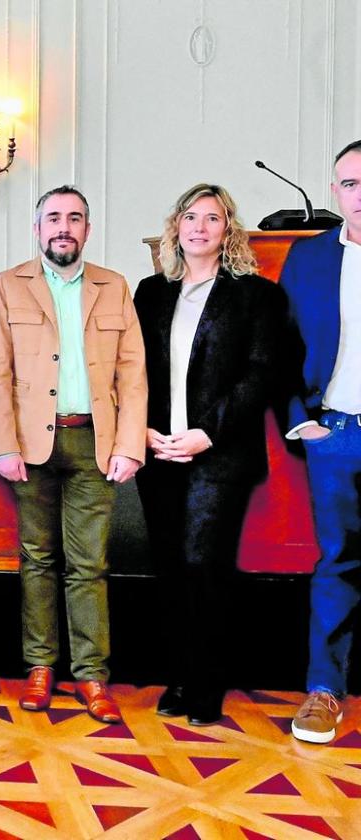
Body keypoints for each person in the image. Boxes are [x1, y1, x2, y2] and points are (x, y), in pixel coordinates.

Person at [0, 185, 146, 724]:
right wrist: (3, 444)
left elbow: (133, 373)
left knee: (89, 564)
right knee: (37, 558)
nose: (63, 227)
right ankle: (39, 667)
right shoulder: (11, 286)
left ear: (87, 229)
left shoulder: (114, 286)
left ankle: (92, 675)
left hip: (95, 443)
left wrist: (129, 446)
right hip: (31, 446)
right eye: (53, 218)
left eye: (74, 218)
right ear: (37, 229)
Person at [134, 184, 288, 726]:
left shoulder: (255, 295)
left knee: (205, 566)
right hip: (158, 452)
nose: (200, 227)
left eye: (213, 218)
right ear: (175, 226)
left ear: (229, 230)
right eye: (190, 217)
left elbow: (261, 374)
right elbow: (132, 371)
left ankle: (207, 683)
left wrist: (208, 433)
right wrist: (144, 430)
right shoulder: (150, 292)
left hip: (217, 455)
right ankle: (179, 676)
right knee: (171, 569)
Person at [283, 139, 361, 744]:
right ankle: (324, 692)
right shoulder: (308, 260)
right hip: (333, 433)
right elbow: (282, 348)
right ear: (335, 192)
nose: (359, 195)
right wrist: (299, 418)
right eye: (350, 184)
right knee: (336, 562)